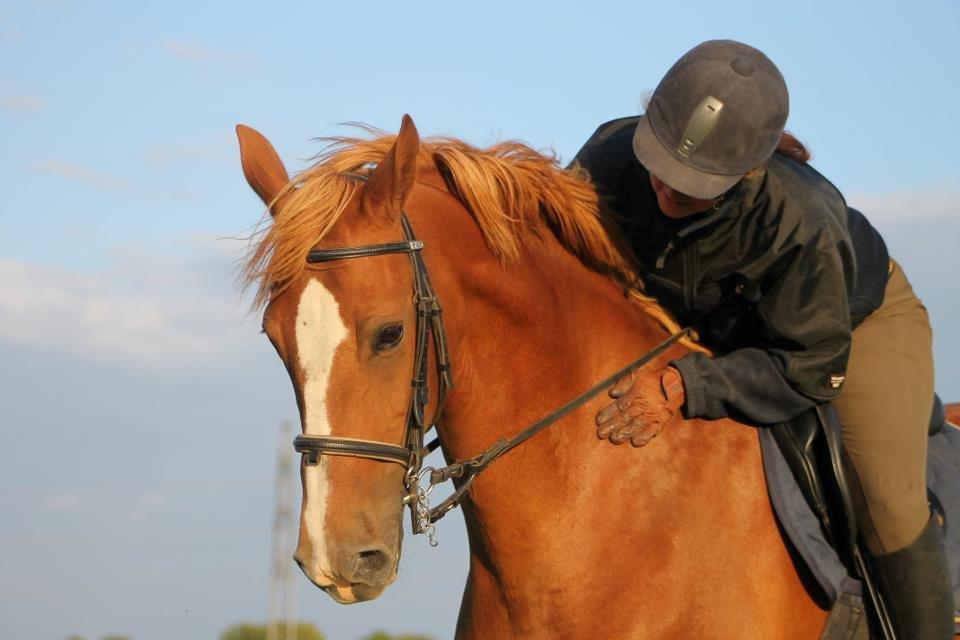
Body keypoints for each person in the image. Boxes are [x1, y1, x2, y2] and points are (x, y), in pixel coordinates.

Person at [574, 40, 954, 638]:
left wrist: (685, 382)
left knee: (888, 501)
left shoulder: (801, 218)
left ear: (749, 171)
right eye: (661, 163)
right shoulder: (606, 156)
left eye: (694, 181)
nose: (668, 189)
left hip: (849, 328)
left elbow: (812, 365)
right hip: (710, 324)